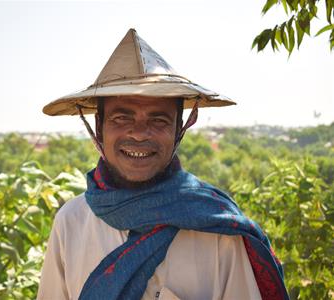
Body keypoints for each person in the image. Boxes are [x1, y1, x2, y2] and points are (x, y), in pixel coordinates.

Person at [38, 29, 289, 300]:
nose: (139, 133)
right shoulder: (71, 222)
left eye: (158, 120)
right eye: (122, 118)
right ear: (98, 128)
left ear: (178, 130)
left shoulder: (218, 229)